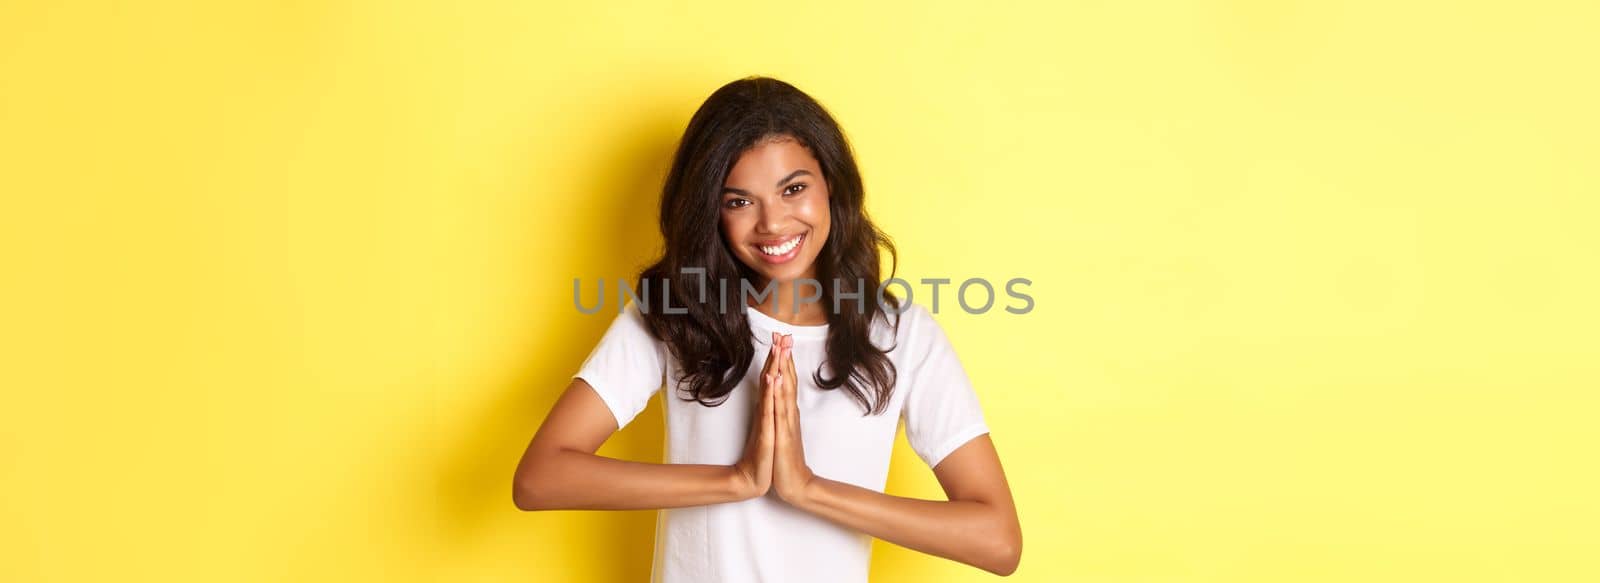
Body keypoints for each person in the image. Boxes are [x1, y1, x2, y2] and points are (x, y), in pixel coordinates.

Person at [513, 76, 1021, 582]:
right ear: (710, 212)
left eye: (793, 189)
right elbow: (540, 479)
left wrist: (806, 487)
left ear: (832, 186)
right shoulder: (675, 314)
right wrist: (736, 480)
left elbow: (998, 541)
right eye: (739, 201)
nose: (773, 223)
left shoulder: (901, 336)